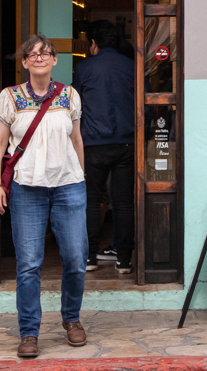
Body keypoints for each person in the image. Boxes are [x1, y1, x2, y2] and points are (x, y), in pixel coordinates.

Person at [0, 34, 88, 359]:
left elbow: (76, 139)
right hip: (27, 189)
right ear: (24, 62)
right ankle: (29, 332)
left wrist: (82, 177)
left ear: (55, 60)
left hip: (68, 185)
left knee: (75, 259)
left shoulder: (69, 96)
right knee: (29, 264)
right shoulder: (11, 97)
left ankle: (71, 318)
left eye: (45, 53)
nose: (39, 58)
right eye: (33, 54)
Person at [72, 20, 135, 275]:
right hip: (127, 142)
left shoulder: (84, 68)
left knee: (91, 200)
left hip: (94, 144)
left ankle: (89, 258)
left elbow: (74, 107)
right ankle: (124, 260)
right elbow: (149, 103)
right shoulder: (132, 67)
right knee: (124, 202)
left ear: (93, 44)